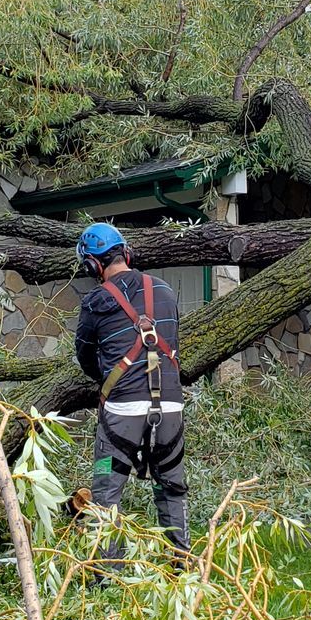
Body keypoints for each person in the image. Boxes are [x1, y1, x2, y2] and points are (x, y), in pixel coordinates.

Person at [72, 221, 189, 562]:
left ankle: (107, 574)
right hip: (169, 407)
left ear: (92, 265)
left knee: (107, 491)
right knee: (172, 489)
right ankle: (181, 566)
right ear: (126, 252)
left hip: (122, 412)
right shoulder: (165, 291)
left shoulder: (95, 300)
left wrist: (109, 379)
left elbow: (85, 356)